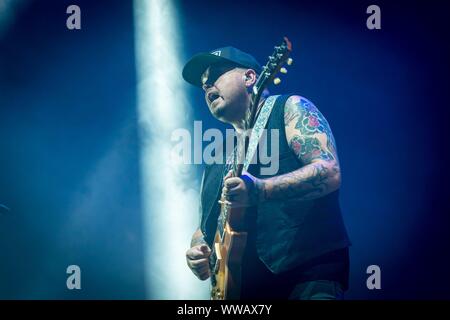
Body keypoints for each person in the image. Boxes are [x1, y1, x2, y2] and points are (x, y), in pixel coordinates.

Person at [182, 46, 351, 300]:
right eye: (203, 85)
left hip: (305, 277)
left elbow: (329, 172)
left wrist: (261, 189)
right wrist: (199, 249)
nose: (207, 87)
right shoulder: (216, 156)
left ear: (250, 78)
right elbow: (205, 227)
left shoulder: (290, 108)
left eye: (215, 74)